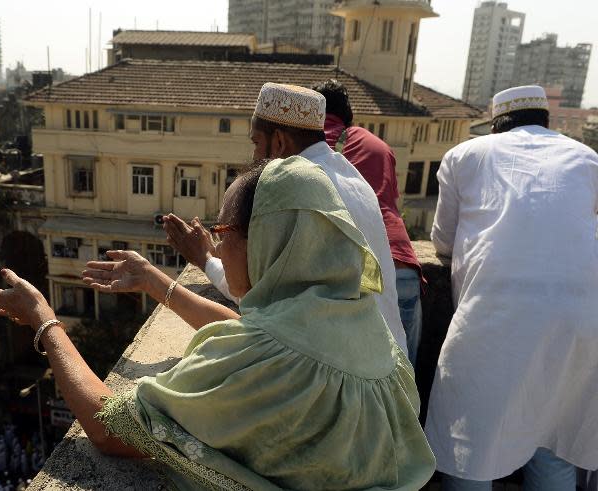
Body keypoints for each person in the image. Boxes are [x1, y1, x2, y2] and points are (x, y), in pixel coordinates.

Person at [0, 155, 435, 489]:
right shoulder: (363, 327)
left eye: (222, 235)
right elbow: (246, 338)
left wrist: (44, 321)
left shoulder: (271, 356)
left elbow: (110, 427)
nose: (216, 251)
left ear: (264, 240)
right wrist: (156, 282)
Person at [426, 85, 598, 489]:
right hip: (579, 317)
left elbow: (442, 242)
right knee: (553, 436)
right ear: (546, 121)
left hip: (496, 313)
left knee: (466, 442)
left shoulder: (464, 155)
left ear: (497, 124)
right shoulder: (587, 158)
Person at [164, 82, 408, 355]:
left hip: (344, 370)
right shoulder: (350, 175)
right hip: (385, 360)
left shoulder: (297, 194)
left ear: (279, 141)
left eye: (256, 142)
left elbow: (260, 295)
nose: (255, 156)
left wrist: (205, 259)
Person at [312, 79, 424, 366]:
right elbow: (389, 204)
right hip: (402, 268)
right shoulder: (379, 146)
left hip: (350, 274)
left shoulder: (305, 146)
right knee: (403, 385)